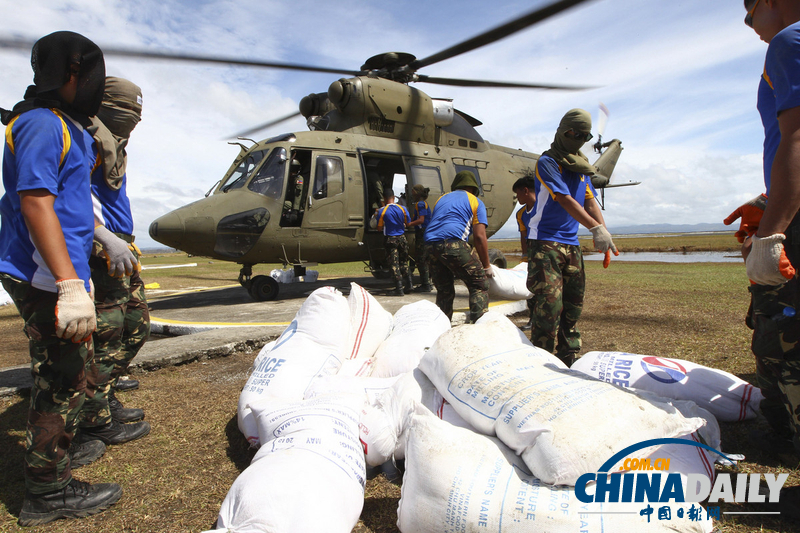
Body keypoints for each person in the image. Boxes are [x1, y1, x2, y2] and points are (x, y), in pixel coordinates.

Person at [0, 31, 123, 526]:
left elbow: (67, 203)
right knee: (64, 378)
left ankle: (58, 455)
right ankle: (48, 490)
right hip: (46, 275)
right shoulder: (42, 125)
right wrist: (70, 284)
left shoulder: (62, 125)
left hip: (58, 270)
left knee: (75, 369)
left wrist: (97, 240)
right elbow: (35, 201)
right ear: (73, 72)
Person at [735, 0, 800, 465]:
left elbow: (797, 138)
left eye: (749, 11)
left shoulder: (788, 40)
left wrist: (773, 232)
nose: (749, 26)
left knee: (783, 333)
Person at [83, 77, 152, 428]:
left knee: (137, 325)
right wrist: (103, 236)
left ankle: (102, 391)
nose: (133, 120)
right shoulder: (88, 139)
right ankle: (95, 414)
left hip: (123, 244)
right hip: (103, 247)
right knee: (106, 334)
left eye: (136, 113)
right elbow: (70, 196)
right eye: (126, 111)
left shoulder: (115, 146)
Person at [526, 109, 618, 366]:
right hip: (545, 241)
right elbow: (564, 199)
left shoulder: (581, 169)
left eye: (582, 136)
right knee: (550, 305)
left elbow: (589, 201)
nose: (576, 138)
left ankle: (568, 355)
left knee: (573, 304)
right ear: (561, 130)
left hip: (571, 243)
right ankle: (540, 359)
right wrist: (594, 229)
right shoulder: (548, 163)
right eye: (572, 133)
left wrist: (603, 230)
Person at [423, 170, 494, 322]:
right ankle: (479, 327)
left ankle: (441, 328)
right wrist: (487, 266)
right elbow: (480, 237)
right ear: (474, 188)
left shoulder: (442, 199)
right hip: (453, 244)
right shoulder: (475, 201)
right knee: (479, 284)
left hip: (430, 246)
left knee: (444, 290)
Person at [371, 188, 412, 296]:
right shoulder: (403, 208)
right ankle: (409, 284)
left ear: (384, 199)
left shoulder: (382, 211)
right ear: (394, 197)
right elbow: (408, 223)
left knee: (394, 264)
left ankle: (399, 288)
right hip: (402, 238)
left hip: (391, 239)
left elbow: (379, 228)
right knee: (404, 262)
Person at [512, 174, 538, 330]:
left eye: (518, 194)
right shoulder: (521, 214)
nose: (517, 198)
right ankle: (533, 319)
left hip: (547, 250)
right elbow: (523, 235)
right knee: (532, 286)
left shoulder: (544, 206)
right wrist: (524, 255)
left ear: (526, 191)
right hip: (532, 253)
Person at [407, 184, 432, 292]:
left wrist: (409, 224)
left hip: (422, 232)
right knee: (424, 258)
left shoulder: (420, 204)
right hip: (424, 232)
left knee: (421, 258)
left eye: (412, 192)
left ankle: (425, 284)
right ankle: (427, 282)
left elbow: (421, 220)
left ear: (416, 193)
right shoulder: (421, 204)